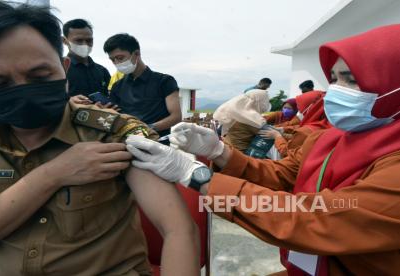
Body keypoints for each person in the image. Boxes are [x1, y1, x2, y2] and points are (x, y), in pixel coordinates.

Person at [0, 2, 200, 275]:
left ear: (64, 68)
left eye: (40, 76)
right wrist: (52, 175)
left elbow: (178, 229)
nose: (24, 91)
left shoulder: (112, 132)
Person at [125, 25, 400, 275]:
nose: (337, 90)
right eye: (334, 79)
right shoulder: (335, 137)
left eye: (351, 80)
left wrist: (198, 177)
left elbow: (318, 219)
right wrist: (219, 152)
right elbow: (284, 174)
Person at [104, 33, 182, 139]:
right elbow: (116, 117)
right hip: (127, 143)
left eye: (120, 58)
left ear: (136, 53)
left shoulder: (164, 81)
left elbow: (176, 117)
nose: (117, 63)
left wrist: (146, 129)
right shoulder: (117, 87)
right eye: (113, 60)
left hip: (158, 142)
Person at [260, 91, 331, 158]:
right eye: (284, 108)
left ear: (310, 109)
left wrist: (277, 136)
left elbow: (287, 153)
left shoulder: (305, 129)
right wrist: (282, 130)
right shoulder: (327, 125)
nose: (300, 111)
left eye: (300, 108)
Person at [62, 19, 111, 97]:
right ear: (65, 41)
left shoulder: (102, 71)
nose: (85, 44)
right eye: (79, 40)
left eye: (89, 40)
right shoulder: (59, 68)